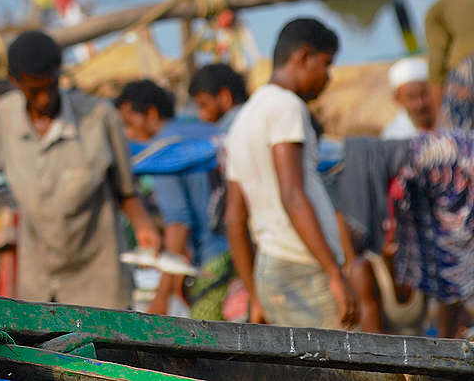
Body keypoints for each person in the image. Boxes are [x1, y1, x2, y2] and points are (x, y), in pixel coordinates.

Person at [0, 31, 159, 309]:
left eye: (50, 87)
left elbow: (126, 191)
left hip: (98, 281)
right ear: (14, 81)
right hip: (38, 284)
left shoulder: (99, 118)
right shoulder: (4, 118)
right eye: (34, 90)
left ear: (59, 75)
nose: (44, 99)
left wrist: (145, 228)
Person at [225, 18, 358, 329]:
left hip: (271, 270)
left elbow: (234, 217)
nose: (328, 76)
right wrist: (334, 272)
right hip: (303, 268)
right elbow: (292, 194)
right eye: (326, 64)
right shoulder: (286, 107)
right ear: (302, 57)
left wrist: (255, 295)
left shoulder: (243, 119)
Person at [115, 79, 232, 320]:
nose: (127, 133)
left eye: (128, 123)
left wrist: (162, 295)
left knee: (209, 340)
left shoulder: (164, 150)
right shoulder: (203, 130)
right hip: (242, 253)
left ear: (151, 113)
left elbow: (178, 221)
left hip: (213, 259)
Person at [425, 0, 474, 130]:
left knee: (455, 140)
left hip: (468, 66)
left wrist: (438, 125)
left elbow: (436, 66)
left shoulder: (439, 6)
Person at [381, 57, 435, 139]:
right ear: (397, 99)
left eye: (424, 94)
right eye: (411, 97)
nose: (420, 104)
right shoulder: (394, 136)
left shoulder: (452, 121)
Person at [188, 63, 248, 132]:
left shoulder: (230, 130)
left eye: (204, 105)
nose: (202, 116)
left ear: (224, 97)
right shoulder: (253, 116)